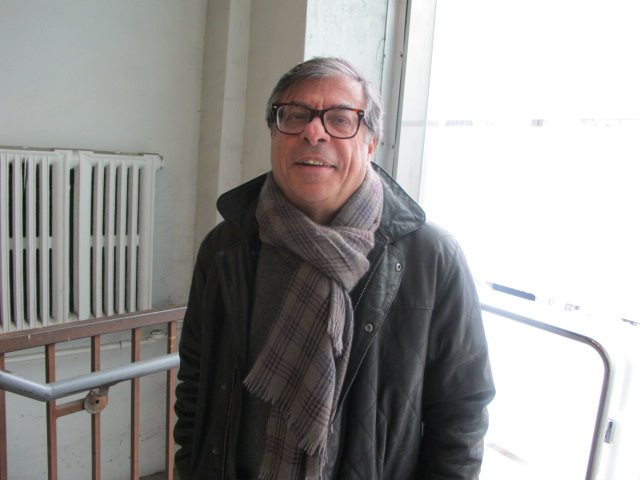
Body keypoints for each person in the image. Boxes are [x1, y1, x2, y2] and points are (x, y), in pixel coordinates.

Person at [174, 57, 495, 480]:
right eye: (295, 115)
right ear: (274, 133)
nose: (314, 132)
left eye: (341, 119)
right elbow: (196, 381)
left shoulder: (432, 258)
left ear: (370, 142)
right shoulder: (225, 247)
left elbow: (461, 412)